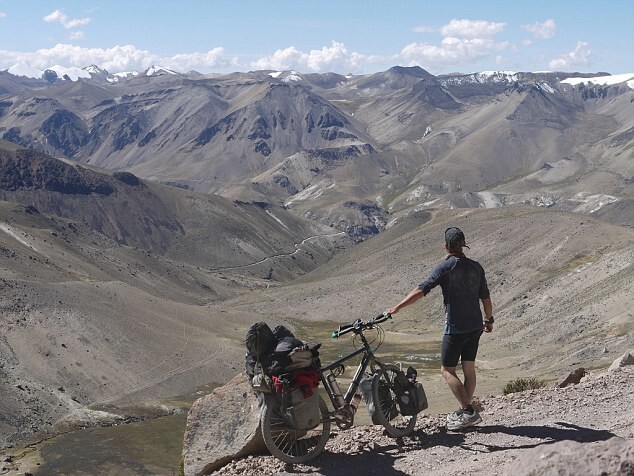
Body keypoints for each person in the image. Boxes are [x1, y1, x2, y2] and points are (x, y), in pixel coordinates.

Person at [386, 226, 494, 431]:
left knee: (446, 370)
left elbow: (422, 289)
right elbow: (486, 298)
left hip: (455, 328)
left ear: (446, 246)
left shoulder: (446, 267)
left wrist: (398, 307)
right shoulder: (476, 267)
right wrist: (489, 320)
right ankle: (466, 411)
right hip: (475, 326)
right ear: (463, 245)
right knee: (469, 369)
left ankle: (467, 411)